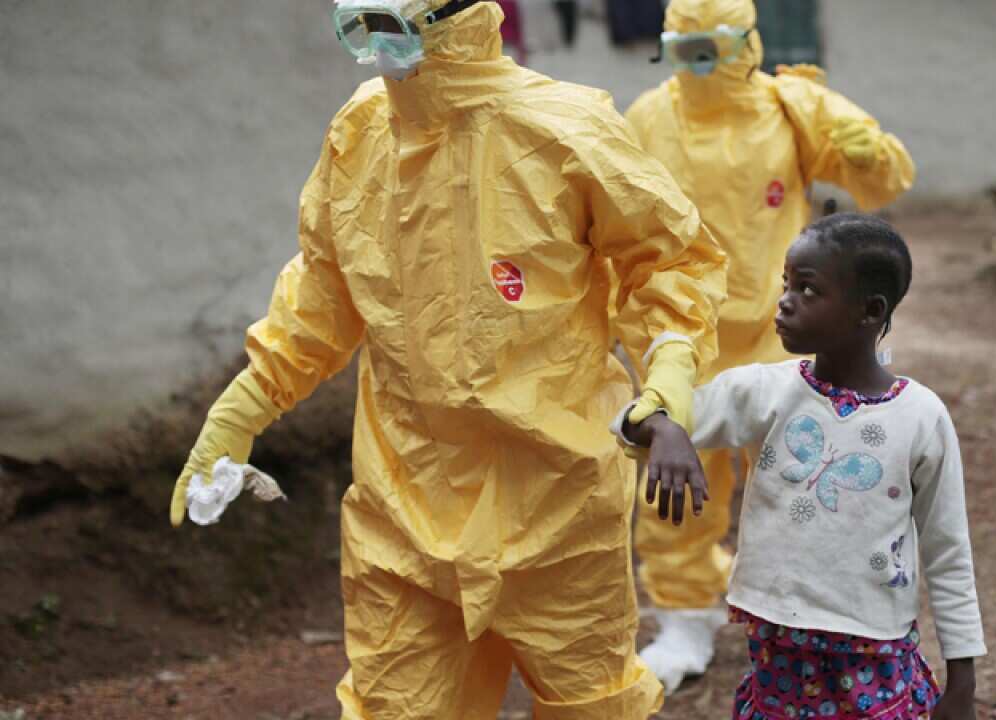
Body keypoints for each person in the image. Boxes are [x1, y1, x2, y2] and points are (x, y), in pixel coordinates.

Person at [167, 1, 727, 718]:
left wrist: (671, 377)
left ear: (451, 19)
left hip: (555, 498)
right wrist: (243, 407)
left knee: (591, 703)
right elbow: (323, 291)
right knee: (397, 705)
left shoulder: (565, 131)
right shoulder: (363, 131)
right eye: (358, 27)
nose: (373, 48)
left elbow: (669, 260)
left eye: (388, 24)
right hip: (404, 503)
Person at [623, 0, 917, 693]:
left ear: (743, 43)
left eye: (709, 46)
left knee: (803, 479)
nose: (696, 61)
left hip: (780, 330)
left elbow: (884, 180)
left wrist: (854, 138)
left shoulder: (789, 107)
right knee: (676, 481)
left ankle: (814, 612)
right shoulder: (646, 118)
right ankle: (685, 618)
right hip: (682, 332)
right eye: (683, 46)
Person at [616, 214, 986, 719]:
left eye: (808, 290)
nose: (785, 300)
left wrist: (962, 682)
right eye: (787, 284)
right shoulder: (765, 391)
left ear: (869, 311)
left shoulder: (920, 418)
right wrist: (664, 429)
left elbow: (948, 552)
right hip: (778, 656)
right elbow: (629, 425)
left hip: (873, 656)